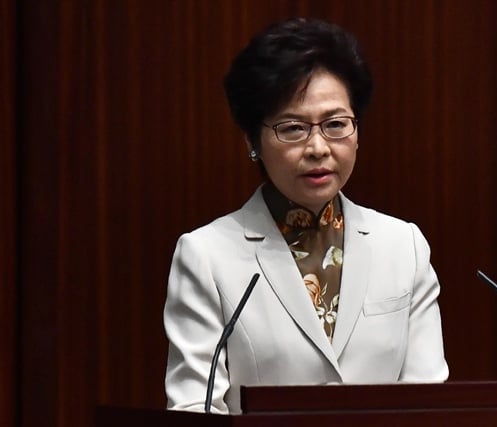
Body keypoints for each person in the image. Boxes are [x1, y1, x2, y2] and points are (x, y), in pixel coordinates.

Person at [163, 17, 448, 414]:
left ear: (357, 130)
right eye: (293, 128)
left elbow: (427, 404)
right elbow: (195, 408)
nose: (317, 147)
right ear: (252, 140)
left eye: (335, 124)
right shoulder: (206, 256)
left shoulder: (403, 245)